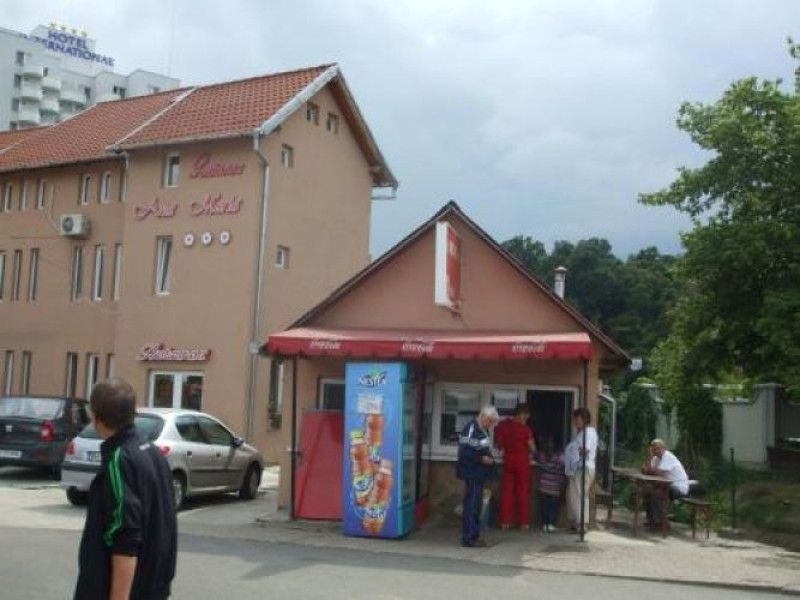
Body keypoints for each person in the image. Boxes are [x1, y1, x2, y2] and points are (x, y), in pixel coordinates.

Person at [74, 379, 177, 600]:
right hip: (155, 588)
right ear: (133, 412)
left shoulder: (119, 461)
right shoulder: (154, 454)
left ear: (95, 417)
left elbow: (126, 540)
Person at [456, 405, 500, 547]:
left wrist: (490, 461)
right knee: (472, 505)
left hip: (479, 473)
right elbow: (464, 452)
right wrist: (481, 459)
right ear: (484, 417)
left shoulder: (483, 430)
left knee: (476, 505)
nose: (491, 425)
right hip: (472, 473)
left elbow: (483, 449)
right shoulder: (470, 429)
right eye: (491, 422)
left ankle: (474, 535)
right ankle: (469, 538)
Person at [494, 404, 536, 530]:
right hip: (522, 462)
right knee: (522, 492)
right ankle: (523, 523)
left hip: (508, 461)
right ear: (521, 414)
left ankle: (505, 522)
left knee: (507, 493)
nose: (526, 420)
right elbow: (533, 448)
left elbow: (498, 445)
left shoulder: (504, 426)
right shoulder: (526, 429)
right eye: (526, 417)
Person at [641, 438, 689, 527]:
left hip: (678, 488)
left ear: (663, 448)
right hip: (665, 485)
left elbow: (659, 473)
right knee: (647, 492)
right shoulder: (655, 458)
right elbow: (646, 470)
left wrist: (649, 470)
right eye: (654, 448)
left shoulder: (668, 457)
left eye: (657, 448)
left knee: (655, 494)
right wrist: (649, 458)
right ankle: (652, 520)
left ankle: (660, 522)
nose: (656, 450)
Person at [565, 407, 597, 533]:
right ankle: (576, 522)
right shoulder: (581, 433)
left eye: (577, 419)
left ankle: (582, 523)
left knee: (580, 495)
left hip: (583, 467)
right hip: (577, 468)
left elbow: (585, 449)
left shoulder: (588, 432)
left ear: (584, 419)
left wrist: (576, 452)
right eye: (575, 419)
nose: (575, 422)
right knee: (573, 495)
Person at [536, 437, 565, 532]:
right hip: (555, 484)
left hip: (544, 484)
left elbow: (539, 463)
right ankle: (551, 524)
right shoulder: (559, 456)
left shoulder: (541, 455)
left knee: (545, 505)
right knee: (553, 506)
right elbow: (562, 466)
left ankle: (545, 524)